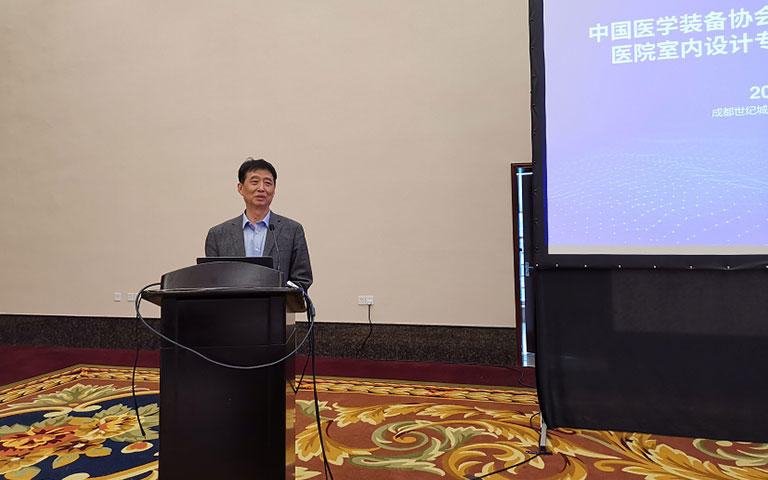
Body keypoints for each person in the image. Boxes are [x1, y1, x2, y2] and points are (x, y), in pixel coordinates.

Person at [205, 158, 313, 291]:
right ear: (240, 188)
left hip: (276, 304)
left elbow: (302, 279)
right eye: (254, 182)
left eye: (267, 183)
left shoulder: (292, 230)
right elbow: (211, 281)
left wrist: (281, 294)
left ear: (274, 190)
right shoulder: (218, 235)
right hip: (233, 304)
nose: (261, 188)